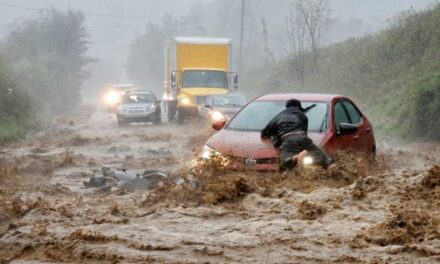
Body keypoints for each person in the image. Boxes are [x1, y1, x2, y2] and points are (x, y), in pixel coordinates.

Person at [261, 98, 333, 171]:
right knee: (325, 158)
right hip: (303, 137)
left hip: (287, 139)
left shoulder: (277, 118)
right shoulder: (302, 116)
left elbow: (264, 135)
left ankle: (296, 157)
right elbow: (305, 134)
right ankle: (334, 170)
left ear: (287, 107)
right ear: (298, 106)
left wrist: (274, 146)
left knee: (284, 163)